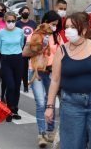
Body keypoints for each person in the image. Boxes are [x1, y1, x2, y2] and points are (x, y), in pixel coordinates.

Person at [45, 12, 91, 149]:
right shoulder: (61, 51)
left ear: (84, 29)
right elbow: (55, 80)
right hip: (71, 104)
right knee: (72, 145)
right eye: (67, 27)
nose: (68, 30)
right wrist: (49, 107)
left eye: (73, 27)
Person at [23, 10, 63, 147]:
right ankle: (42, 134)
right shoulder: (35, 34)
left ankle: (50, 130)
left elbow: (63, 53)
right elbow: (25, 53)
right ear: (45, 22)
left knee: (49, 102)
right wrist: (40, 47)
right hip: (37, 71)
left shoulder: (57, 36)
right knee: (40, 103)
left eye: (56, 25)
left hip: (52, 72)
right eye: (52, 24)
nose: (54, 27)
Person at [0, 12, 24, 122]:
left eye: (13, 21)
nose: (11, 23)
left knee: (17, 86)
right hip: (6, 60)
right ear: (5, 21)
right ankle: (8, 109)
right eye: (9, 21)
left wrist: (16, 52)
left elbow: (21, 44)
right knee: (10, 85)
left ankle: (14, 109)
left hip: (18, 59)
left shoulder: (20, 31)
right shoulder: (1, 33)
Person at [16, 6, 37, 92]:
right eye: (24, 12)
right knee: (24, 68)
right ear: (21, 13)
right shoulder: (17, 24)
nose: (26, 13)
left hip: (32, 48)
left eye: (27, 12)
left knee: (33, 66)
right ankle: (25, 85)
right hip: (22, 48)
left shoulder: (33, 23)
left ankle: (34, 83)